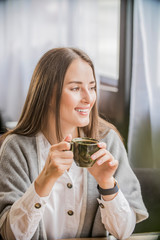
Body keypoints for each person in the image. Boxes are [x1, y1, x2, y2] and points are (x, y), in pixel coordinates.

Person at [0, 47, 148, 240]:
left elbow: (123, 232)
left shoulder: (108, 140)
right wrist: (44, 180)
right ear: (48, 94)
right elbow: (11, 235)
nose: (89, 98)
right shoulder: (15, 148)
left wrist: (107, 184)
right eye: (76, 88)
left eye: (92, 87)